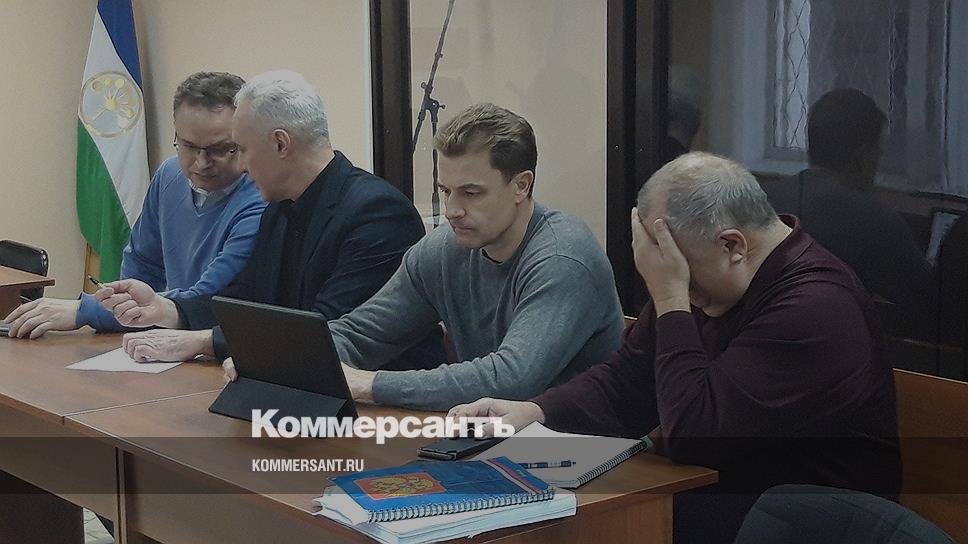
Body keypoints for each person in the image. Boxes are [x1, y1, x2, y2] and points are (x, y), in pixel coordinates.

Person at [450, 152, 901, 544]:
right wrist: (534, 412)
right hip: (721, 499)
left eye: (678, 272)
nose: (676, 288)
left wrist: (670, 296)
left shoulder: (816, 307)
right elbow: (628, 382)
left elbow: (694, 437)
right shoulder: (711, 280)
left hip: (807, 522)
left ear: (733, 245)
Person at [226, 102, 625, 412]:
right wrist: (277, 362)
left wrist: (369, 384)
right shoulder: (446, 248)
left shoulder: (562, 257)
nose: (452, 210)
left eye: (471, 193)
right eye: (446, 191)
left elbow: (511, 377)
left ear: (521, 185)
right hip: (490, 436)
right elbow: (364, 332)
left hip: (584, 452)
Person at [95, 70, 442, 368]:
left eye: (241, 149)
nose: (241, 166)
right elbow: (246, 299)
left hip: (384, 408)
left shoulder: (378, 214)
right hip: (305, 387)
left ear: (280, 144)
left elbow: (326, 329)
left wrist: (203, 341)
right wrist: (166, 309)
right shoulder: (281, 205)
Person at [3, 71, 266, 339]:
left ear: (243, 140)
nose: (201, 162)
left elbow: (208, 300)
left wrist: (85, 310)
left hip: (220, 342)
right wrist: (120, 308)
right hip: (165, 337)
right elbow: (142, 265)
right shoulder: (170, 175)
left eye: (219, 149)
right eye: (188, 146)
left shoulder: (263, 199)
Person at [762, 88, 937, 339]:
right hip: (834, 351)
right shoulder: (874, 218)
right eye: (878, 153)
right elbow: (930, 301)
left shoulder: (761, 201)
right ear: (862, 156)